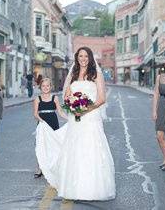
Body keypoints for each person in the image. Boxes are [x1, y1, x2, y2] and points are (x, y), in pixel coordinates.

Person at [35, 46, 115, 200]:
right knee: (75, 149)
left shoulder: (96, 74)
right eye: (80, 56)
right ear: (77, 58)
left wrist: (84, 110)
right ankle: (74, 188)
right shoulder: (73, 74)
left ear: (90, 58)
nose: (83, 59)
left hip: (91, 116)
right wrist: (73, 103)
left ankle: (92, 189)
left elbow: (102, 98)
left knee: (91, 148)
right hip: (76, 117)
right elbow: (66, 95)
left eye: (86, 56)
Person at [33, 78, 68, 178]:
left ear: (50, 87)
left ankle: (54, 166)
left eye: (47, 86)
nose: (45, 88)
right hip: (43, 123)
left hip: (53, 122)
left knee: (53, 144)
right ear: (40, 87)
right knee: (41, 144)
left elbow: (60, 112)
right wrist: (41, 121)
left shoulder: (55, 98)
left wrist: (69, 119)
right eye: (43, 86)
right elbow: (35, 114)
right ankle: (39, 168)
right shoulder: (37, 99)